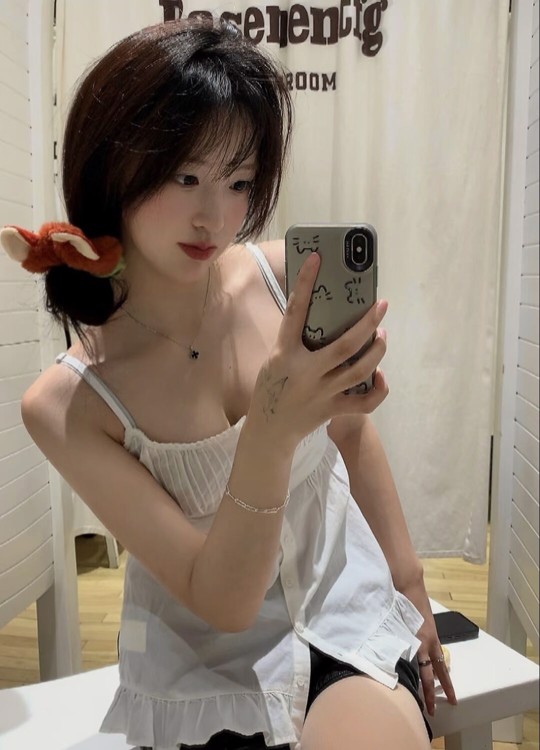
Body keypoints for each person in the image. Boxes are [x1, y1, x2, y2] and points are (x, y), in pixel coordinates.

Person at [0, 17, 456, 750]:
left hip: (346, 615)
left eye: (239, 182)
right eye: (185, 176)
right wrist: (270, 431)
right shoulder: (69, 404)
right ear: (113, 166)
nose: (214, 216)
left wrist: (409, 590)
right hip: (206, 672)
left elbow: (350, 432)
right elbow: (223, 601)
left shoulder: (282, 281)